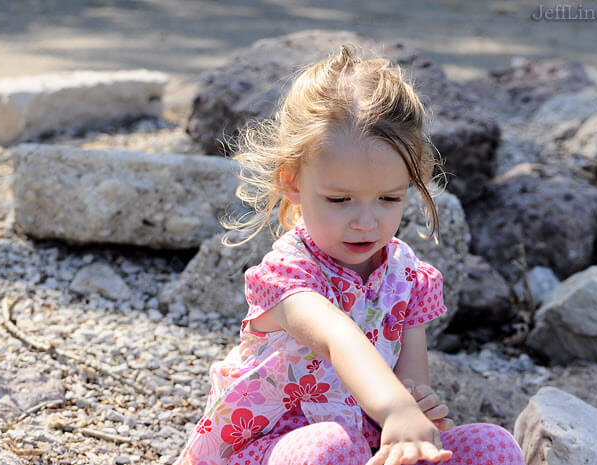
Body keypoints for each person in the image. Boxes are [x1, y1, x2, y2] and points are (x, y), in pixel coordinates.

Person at [175, 45, 525, 465]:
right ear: (292, 183)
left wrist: (416, 408)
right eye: (340, 199)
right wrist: (395, 409)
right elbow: (339, 338)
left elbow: (410, 380)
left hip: (367, 446)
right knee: (332, 445)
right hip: (270, 449)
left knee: (493, 444)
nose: (366, 221)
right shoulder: (290, 275)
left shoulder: (407, 277)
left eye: (388, 198)